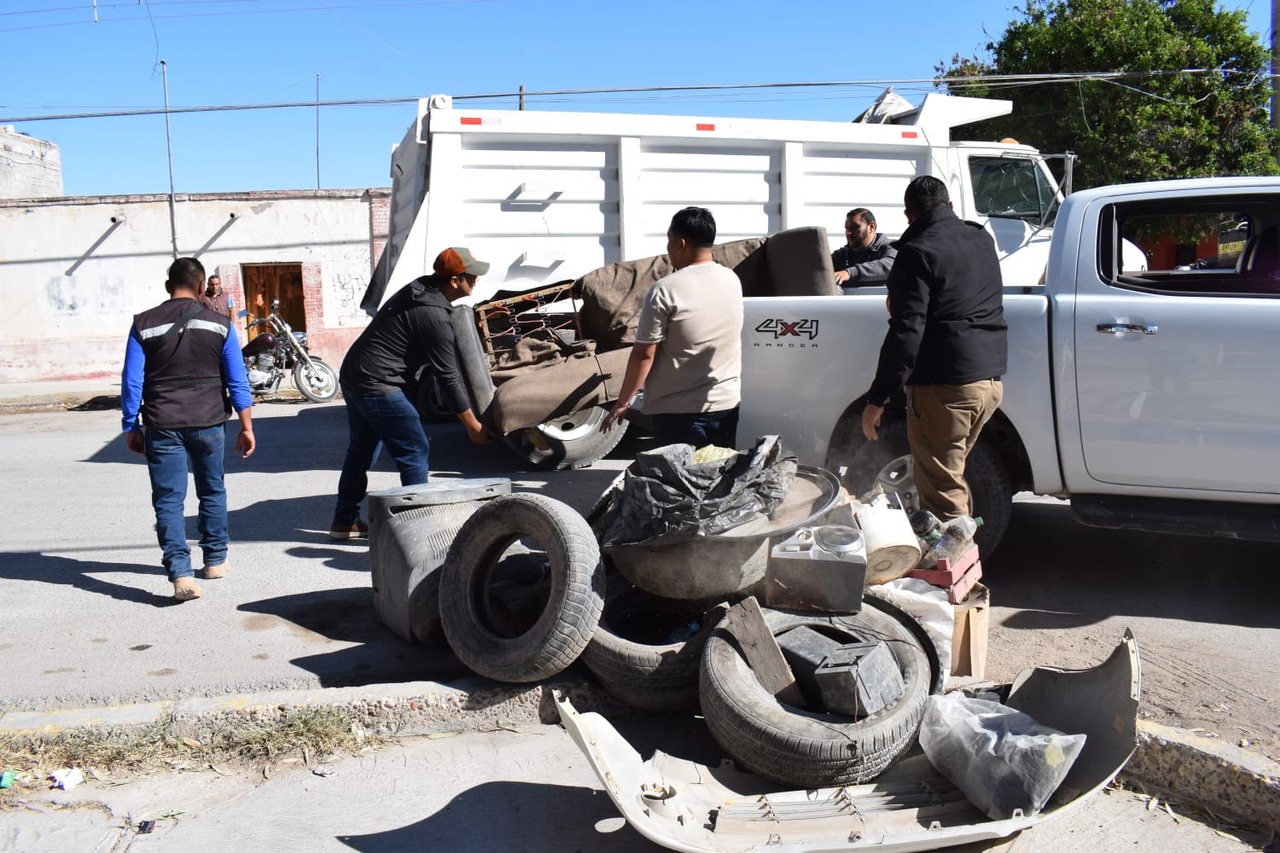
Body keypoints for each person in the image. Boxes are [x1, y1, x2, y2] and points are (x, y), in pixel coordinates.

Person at [861, 176, 1006, 520]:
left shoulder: (917, 251)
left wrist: (878, 398)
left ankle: (958, 570)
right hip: (988, 382)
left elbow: (907, 330)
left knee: (942, 495)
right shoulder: (981, 238)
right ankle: (961, 564)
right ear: (950, 206)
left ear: (909, 215)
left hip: (946, 389)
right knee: (950, 477)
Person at [330, 247, 494, 540]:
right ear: (455, 281)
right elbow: (447, 376)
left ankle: (344, 521)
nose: (476, 280)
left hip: (355, 374)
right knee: (414, 451)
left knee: (361, 451)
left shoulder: (421, 288)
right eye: (471, 276)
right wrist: (473, 426)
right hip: (378, 383)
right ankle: (416, 533)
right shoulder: (433, 314)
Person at [121, 257, 256, 601]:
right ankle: (214, 560)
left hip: (161, 424)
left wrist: (130, 426)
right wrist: (246, 426)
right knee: (212, 490)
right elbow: (237, 381)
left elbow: (132, 382)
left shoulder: (143, 324)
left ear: (169, 287)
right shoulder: (220, 325)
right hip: (209, 421)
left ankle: (180, 572)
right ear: (201, 287)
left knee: (168, 499)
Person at [603, 207, 743, 449]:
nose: (667, 249)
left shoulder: (665, 289)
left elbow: (644, 354)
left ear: (681, 243)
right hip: (726, 406)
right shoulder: (732, 279)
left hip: (679, 413)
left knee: (680, 483)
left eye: (668, 241)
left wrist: (623, 403)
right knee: (719, 478)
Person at [833, 208, 896, 290]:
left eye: (855, 227)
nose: (849, 233)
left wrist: (850, 273)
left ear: (872, 227)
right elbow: (821, 267)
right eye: (847, 228)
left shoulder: (891, 246)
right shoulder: (841, 255)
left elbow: (890, 265)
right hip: (848, 302)